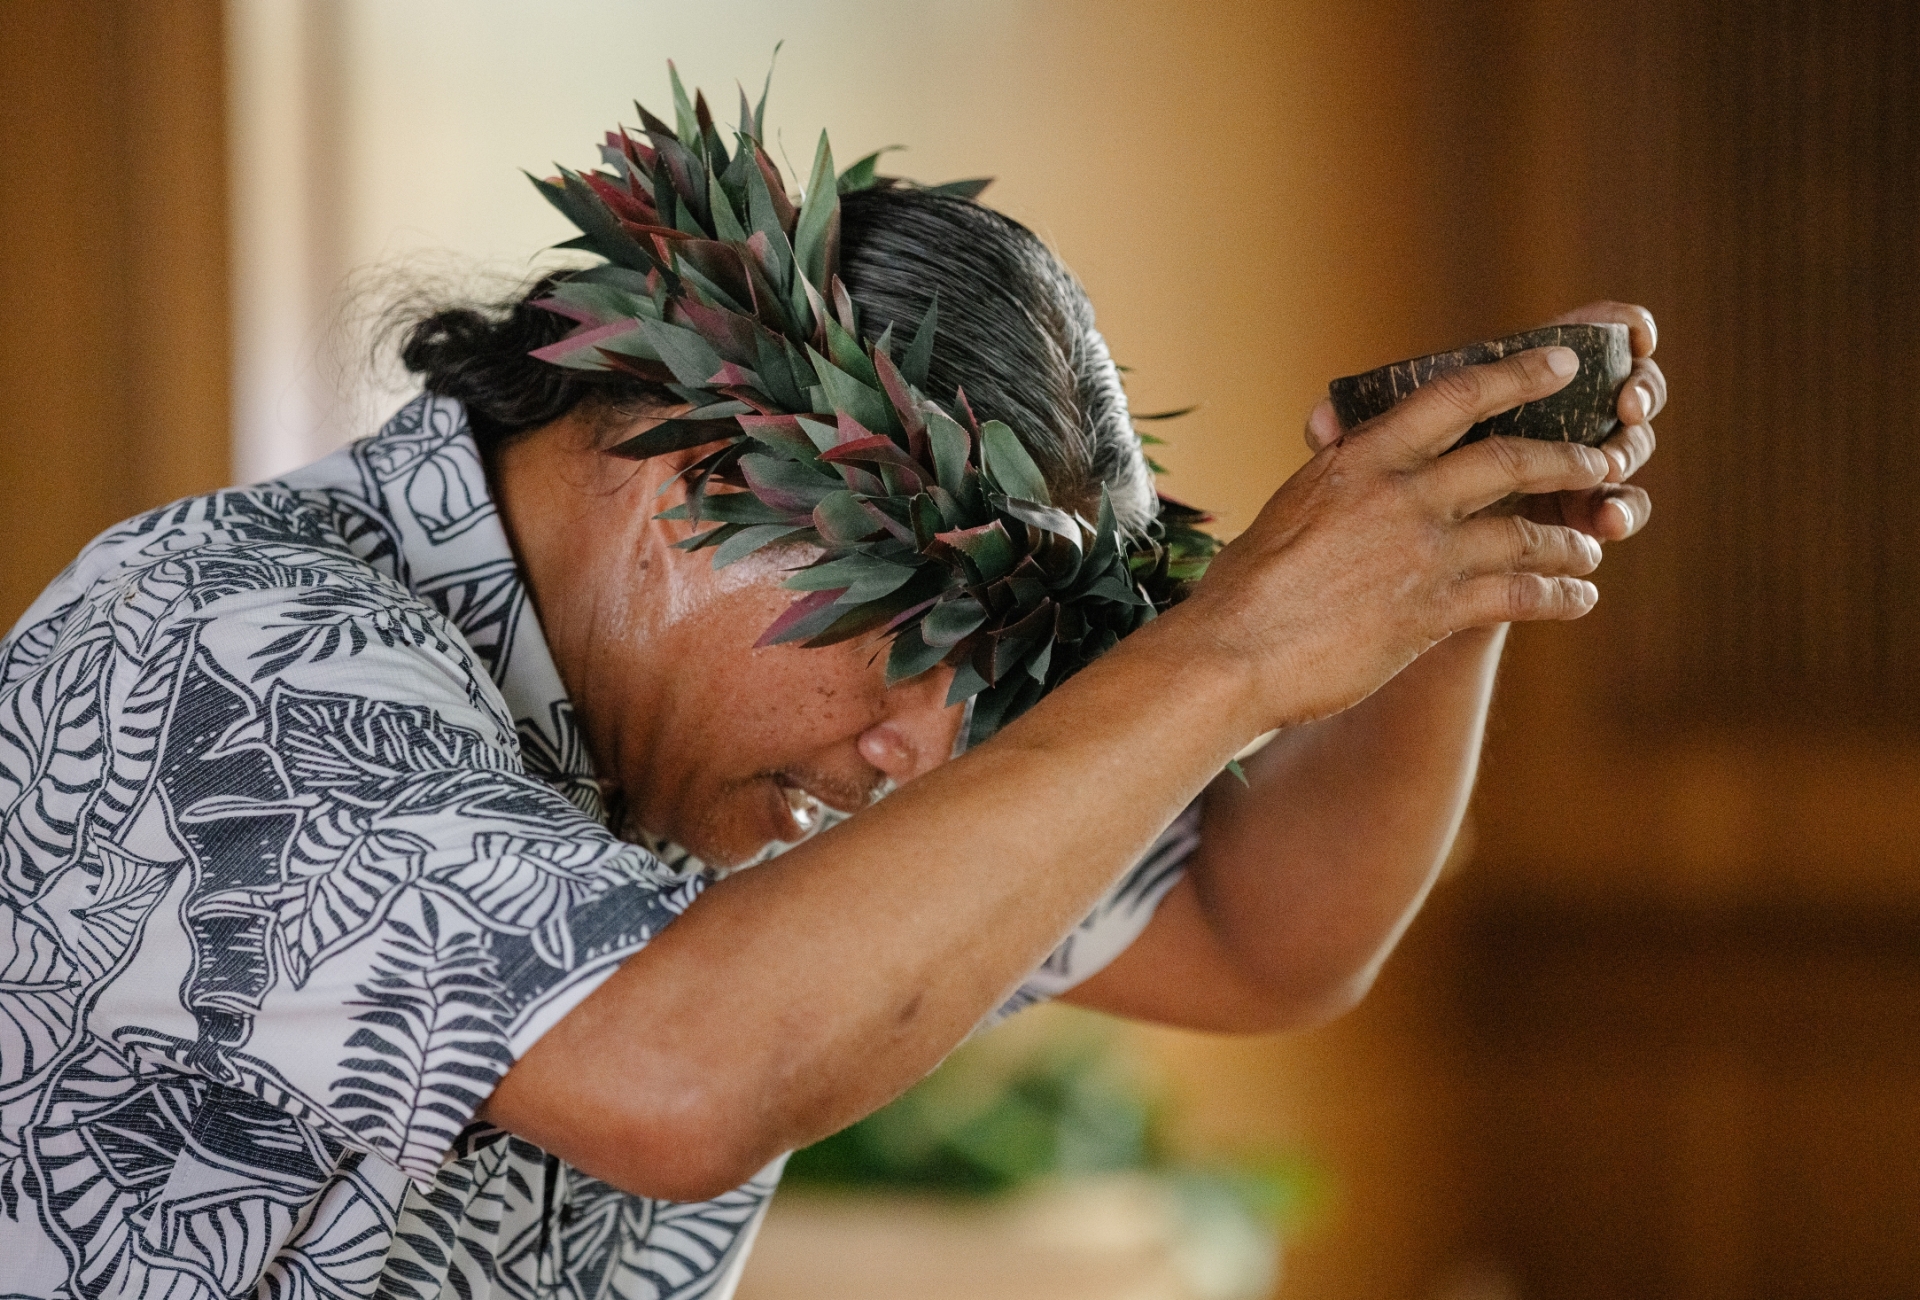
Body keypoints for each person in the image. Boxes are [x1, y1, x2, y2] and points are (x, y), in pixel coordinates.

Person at [0, 73, 1663, 1300]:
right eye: (905, 639)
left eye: (987, 682)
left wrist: (1461, 556)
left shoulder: (770, 754)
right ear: (683, 477)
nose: (919, 750)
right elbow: (674, 1075)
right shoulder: (220, 652)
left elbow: (1255, 935)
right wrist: (1230, 655)